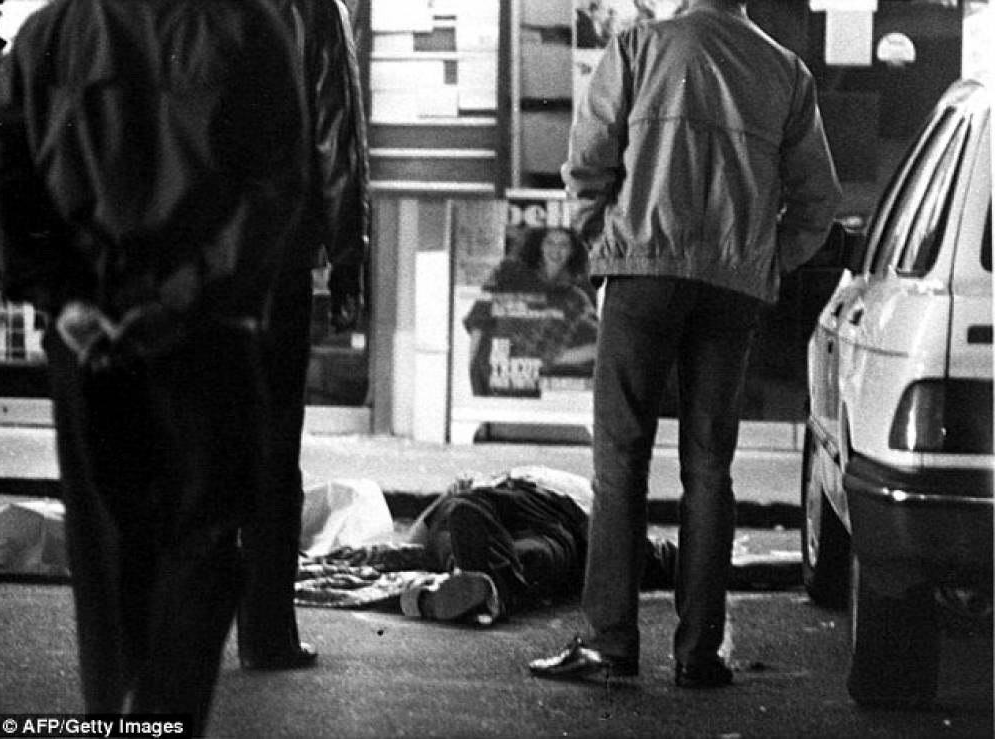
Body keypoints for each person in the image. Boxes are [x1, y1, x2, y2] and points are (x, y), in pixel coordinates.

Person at [0, 0, 307, 731]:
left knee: (105, 552)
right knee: (201, 546)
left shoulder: (49, 36)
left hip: (87, 342)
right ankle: (163, 716)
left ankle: (118, 712)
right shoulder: (248, 27)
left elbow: (5, 180)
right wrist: (181, 299)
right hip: (207, 338)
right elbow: (275, 188)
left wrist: (65, 299)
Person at [528, 0, 841, 688]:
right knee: (709, 467)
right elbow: (819, 202)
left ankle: (611, 643)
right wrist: (766, 259)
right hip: (732, 288)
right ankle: (699, 653)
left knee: (620, 458)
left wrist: (598, 237)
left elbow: (588, 157)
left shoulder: (641, 47)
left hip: (642, 273)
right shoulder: (785, 72)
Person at [236, 0, 370, 672]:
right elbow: (335, 133)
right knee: (268, 449)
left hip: (176, 250)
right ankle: (265, 633)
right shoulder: (313, 7)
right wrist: (348, 255)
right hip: (272, 254)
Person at [399, 467, 677, 624]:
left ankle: (476, 580)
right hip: (512, 508)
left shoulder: (577, 495)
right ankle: (487, 584)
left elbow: (414, 541)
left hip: (545, 511)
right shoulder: (479, 486)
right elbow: (653, 552)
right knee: (540, 550)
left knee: (537, 551)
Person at [465, 226, 598, 398]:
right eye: (549, 242)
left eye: (564, 244)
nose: (556, 249)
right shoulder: (510, 274)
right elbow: (480, 319)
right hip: (494, 373)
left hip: (537, 384)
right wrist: (472, 362)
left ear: (573, 251)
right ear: (539, 246)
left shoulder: (577, 297)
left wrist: (552, 359)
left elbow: (597, 346)